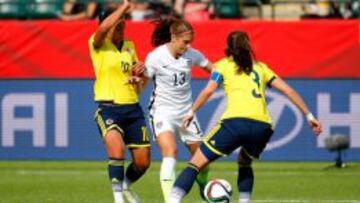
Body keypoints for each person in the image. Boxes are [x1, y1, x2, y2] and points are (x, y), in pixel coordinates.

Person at [169, 31, 322, 203]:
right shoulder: (261, 67)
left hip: (235, 123)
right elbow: (288, 90)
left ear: (228, 48)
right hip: (262, 127)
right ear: (249, 46)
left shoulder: (223, 66)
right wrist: (309, 116)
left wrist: (191, 111)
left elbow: (209, 90)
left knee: (195, 163)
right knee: (244, 162)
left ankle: (173, 200)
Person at [143, 17, 215, 203]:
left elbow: (214, 70)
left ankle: (203, 186)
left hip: (186, 114)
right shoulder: (155, 57)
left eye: (190, 41)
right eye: (185, 42)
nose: (188, 45)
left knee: (202, 159)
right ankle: (171, 200)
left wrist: (225, 77)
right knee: (171, 151)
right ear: (173, 37)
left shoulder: (192, 54)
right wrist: (136, 80)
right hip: (162, 112)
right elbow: (143, 82)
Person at [88, 1, 150, 203]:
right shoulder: (98, 44)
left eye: (124, 23)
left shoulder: (129, 47)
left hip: (133, 109)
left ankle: (124, 186)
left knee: (143, 162)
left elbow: (140, 86)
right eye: (119, 23)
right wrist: (124, 7)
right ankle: (118, 199)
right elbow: (103, 28)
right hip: (108, 108)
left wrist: (141, 76)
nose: (123, 26)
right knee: (117, 150)